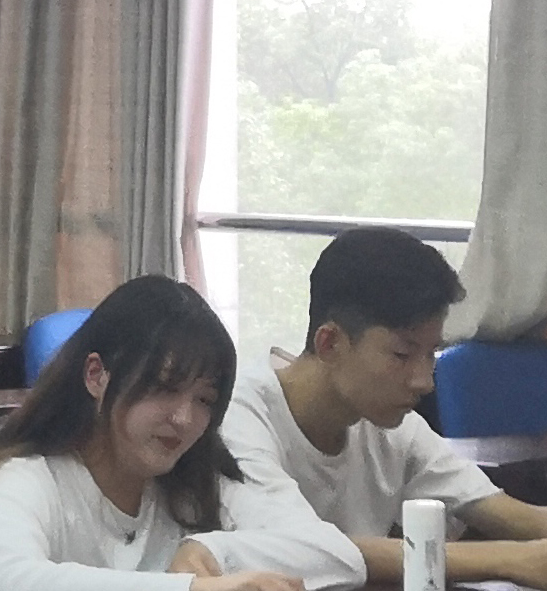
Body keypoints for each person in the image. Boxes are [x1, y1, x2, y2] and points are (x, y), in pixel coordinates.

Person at [0, 275, 366, 591]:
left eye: (204, 399)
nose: (184, 418)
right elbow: (5, 580)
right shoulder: (19, 476)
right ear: (96, 375)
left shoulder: (197, 479)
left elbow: (340, 556)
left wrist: (214, 551)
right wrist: (190, 588)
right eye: (164, 388)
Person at [221, 226, 547, 588]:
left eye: (431, 354)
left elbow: (501, 511)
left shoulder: (387, 421)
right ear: (330, 343)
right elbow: (302, 551)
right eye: (402, 355)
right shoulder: (237, 418)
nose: (424, 382)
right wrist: (509, 560)